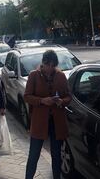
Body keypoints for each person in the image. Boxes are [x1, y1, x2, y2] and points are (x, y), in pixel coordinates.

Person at [24, 50, 72, 179]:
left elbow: (68, 96)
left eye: (53, 66)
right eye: (48, 65)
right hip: (39, 121)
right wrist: (42, 101)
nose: (50, 68)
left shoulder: (60, 76)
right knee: (34, 154)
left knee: (56, 155)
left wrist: (62, 101)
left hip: (56, 122)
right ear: (43, 63)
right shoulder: (34, 75)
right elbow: (27, 96)